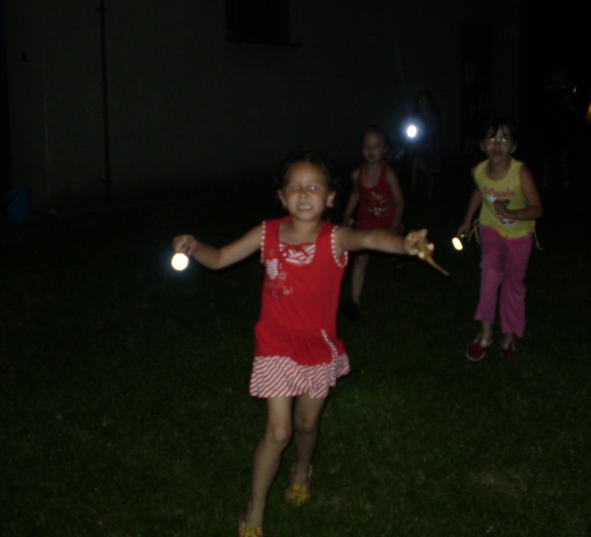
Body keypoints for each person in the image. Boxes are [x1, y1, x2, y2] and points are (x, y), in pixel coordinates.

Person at [172, 149, 429, 537]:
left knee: (307, 426)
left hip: (318, 348)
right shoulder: (267, 233)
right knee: (279, 432)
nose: (303, 194)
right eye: (294, 187)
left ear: (330, 198)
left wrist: (404, 245)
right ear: (281, 197)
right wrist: (196, 248)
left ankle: (302, 470)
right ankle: (255, 509)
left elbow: (368, 236)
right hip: (275, 345)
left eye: (313, 187)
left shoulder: (335, 238)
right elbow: (221, 257)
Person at [457, 119, 543, 362]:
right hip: (490, 228)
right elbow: (478, 191)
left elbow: (537, 209)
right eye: (492, 138)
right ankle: (485, 334)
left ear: (513, 147)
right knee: (491, 271)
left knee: (513, 285)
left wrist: (511, 214)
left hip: (520, 235)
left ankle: (509, 335)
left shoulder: (520, 172)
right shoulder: (478, 171)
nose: (498, 144)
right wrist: (467, 220)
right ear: (482, 145)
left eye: (505, 139)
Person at [341, 125, 406, 320]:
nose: (371, 150)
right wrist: (346, 216)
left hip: (387, 221)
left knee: (394, 251)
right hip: (366, 221)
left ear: (384, 149)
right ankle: (355, 303)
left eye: (376, 146)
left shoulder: (388, 174)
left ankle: (399, 263)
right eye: (367, 146)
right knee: (361, 258)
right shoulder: (357, 175)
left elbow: (400, 201)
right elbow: (355, 193)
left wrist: (394, 224)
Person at [539, 68, 578, 189]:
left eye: (563, 75)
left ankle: (566, 181)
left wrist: (567, 95)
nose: (562, 77)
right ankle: (545, 181)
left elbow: (573, 109)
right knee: (548, 155)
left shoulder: (567, 90)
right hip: (550, 127)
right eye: (560, 74)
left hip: (563, 127)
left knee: (564, 155)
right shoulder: (550, 89)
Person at [409, 90, 442, 199]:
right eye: (420, 102)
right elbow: (414, 129)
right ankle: (413, 187)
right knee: (415, 162)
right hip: (419, 144)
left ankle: (430, 191)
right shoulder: (418, 116)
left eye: (424, 101)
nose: (422, 104)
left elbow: (435, 131)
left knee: (429, 169)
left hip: (430, 145)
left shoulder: (433, 116)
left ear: (429, 102)